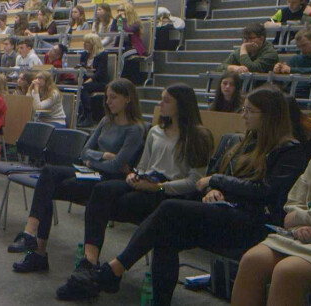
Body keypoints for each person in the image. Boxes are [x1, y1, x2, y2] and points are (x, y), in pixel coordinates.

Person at [57, 87, 308, 304]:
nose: (243, 115)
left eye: (249, 111)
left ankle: (114, 270)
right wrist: (213, 189)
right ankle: (151, 297)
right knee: (167, 236)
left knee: (171, 210)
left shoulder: (290, 150)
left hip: (253, 221)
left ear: (269, 116)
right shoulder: (242, 142)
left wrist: (217, 182)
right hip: (223, 209)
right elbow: (210, 177)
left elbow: (265, 192)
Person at [19, 85, 213, 274]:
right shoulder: (155, 131)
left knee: (91, 189)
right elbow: (141, 165)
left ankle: (86, 262)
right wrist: (133, 174)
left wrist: (158, 186)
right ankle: (47, 248)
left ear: (182, 105)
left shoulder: (197, 136)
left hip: (163, 188)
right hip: (143, 180)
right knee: (51, 177)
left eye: (166, 100)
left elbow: (194, 180)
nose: (160, 103)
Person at [10, 79, 146, 271]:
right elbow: (84, 152)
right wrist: (104, 155)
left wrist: (95, 160)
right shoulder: (106, 121)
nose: (108, 102)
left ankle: (38, 253)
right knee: (48, 173)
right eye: (107, 97)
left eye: (113, 98)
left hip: (106, 180)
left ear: (128, 99)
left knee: (47, 188)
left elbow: (116, 167)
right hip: (90, 171)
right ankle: (30, 234)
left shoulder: (135, 129)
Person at [232, 99, 311, 305]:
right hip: (305, 238)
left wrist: (306, 218)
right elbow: (293, 204)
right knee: (252, 260)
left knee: (288, 272)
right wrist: (301, 224)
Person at [78, 33, 110, 126]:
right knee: (80, 86)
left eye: (87, 42)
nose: (84, 44)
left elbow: (101, 72)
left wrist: (91, 79)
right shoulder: (84, 55)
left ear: (94, 43)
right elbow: (82, 69)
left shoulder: (103, 55)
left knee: (84, 88)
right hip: (87, 81)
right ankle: (81, 114)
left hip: (100, 82)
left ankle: (88, 115)